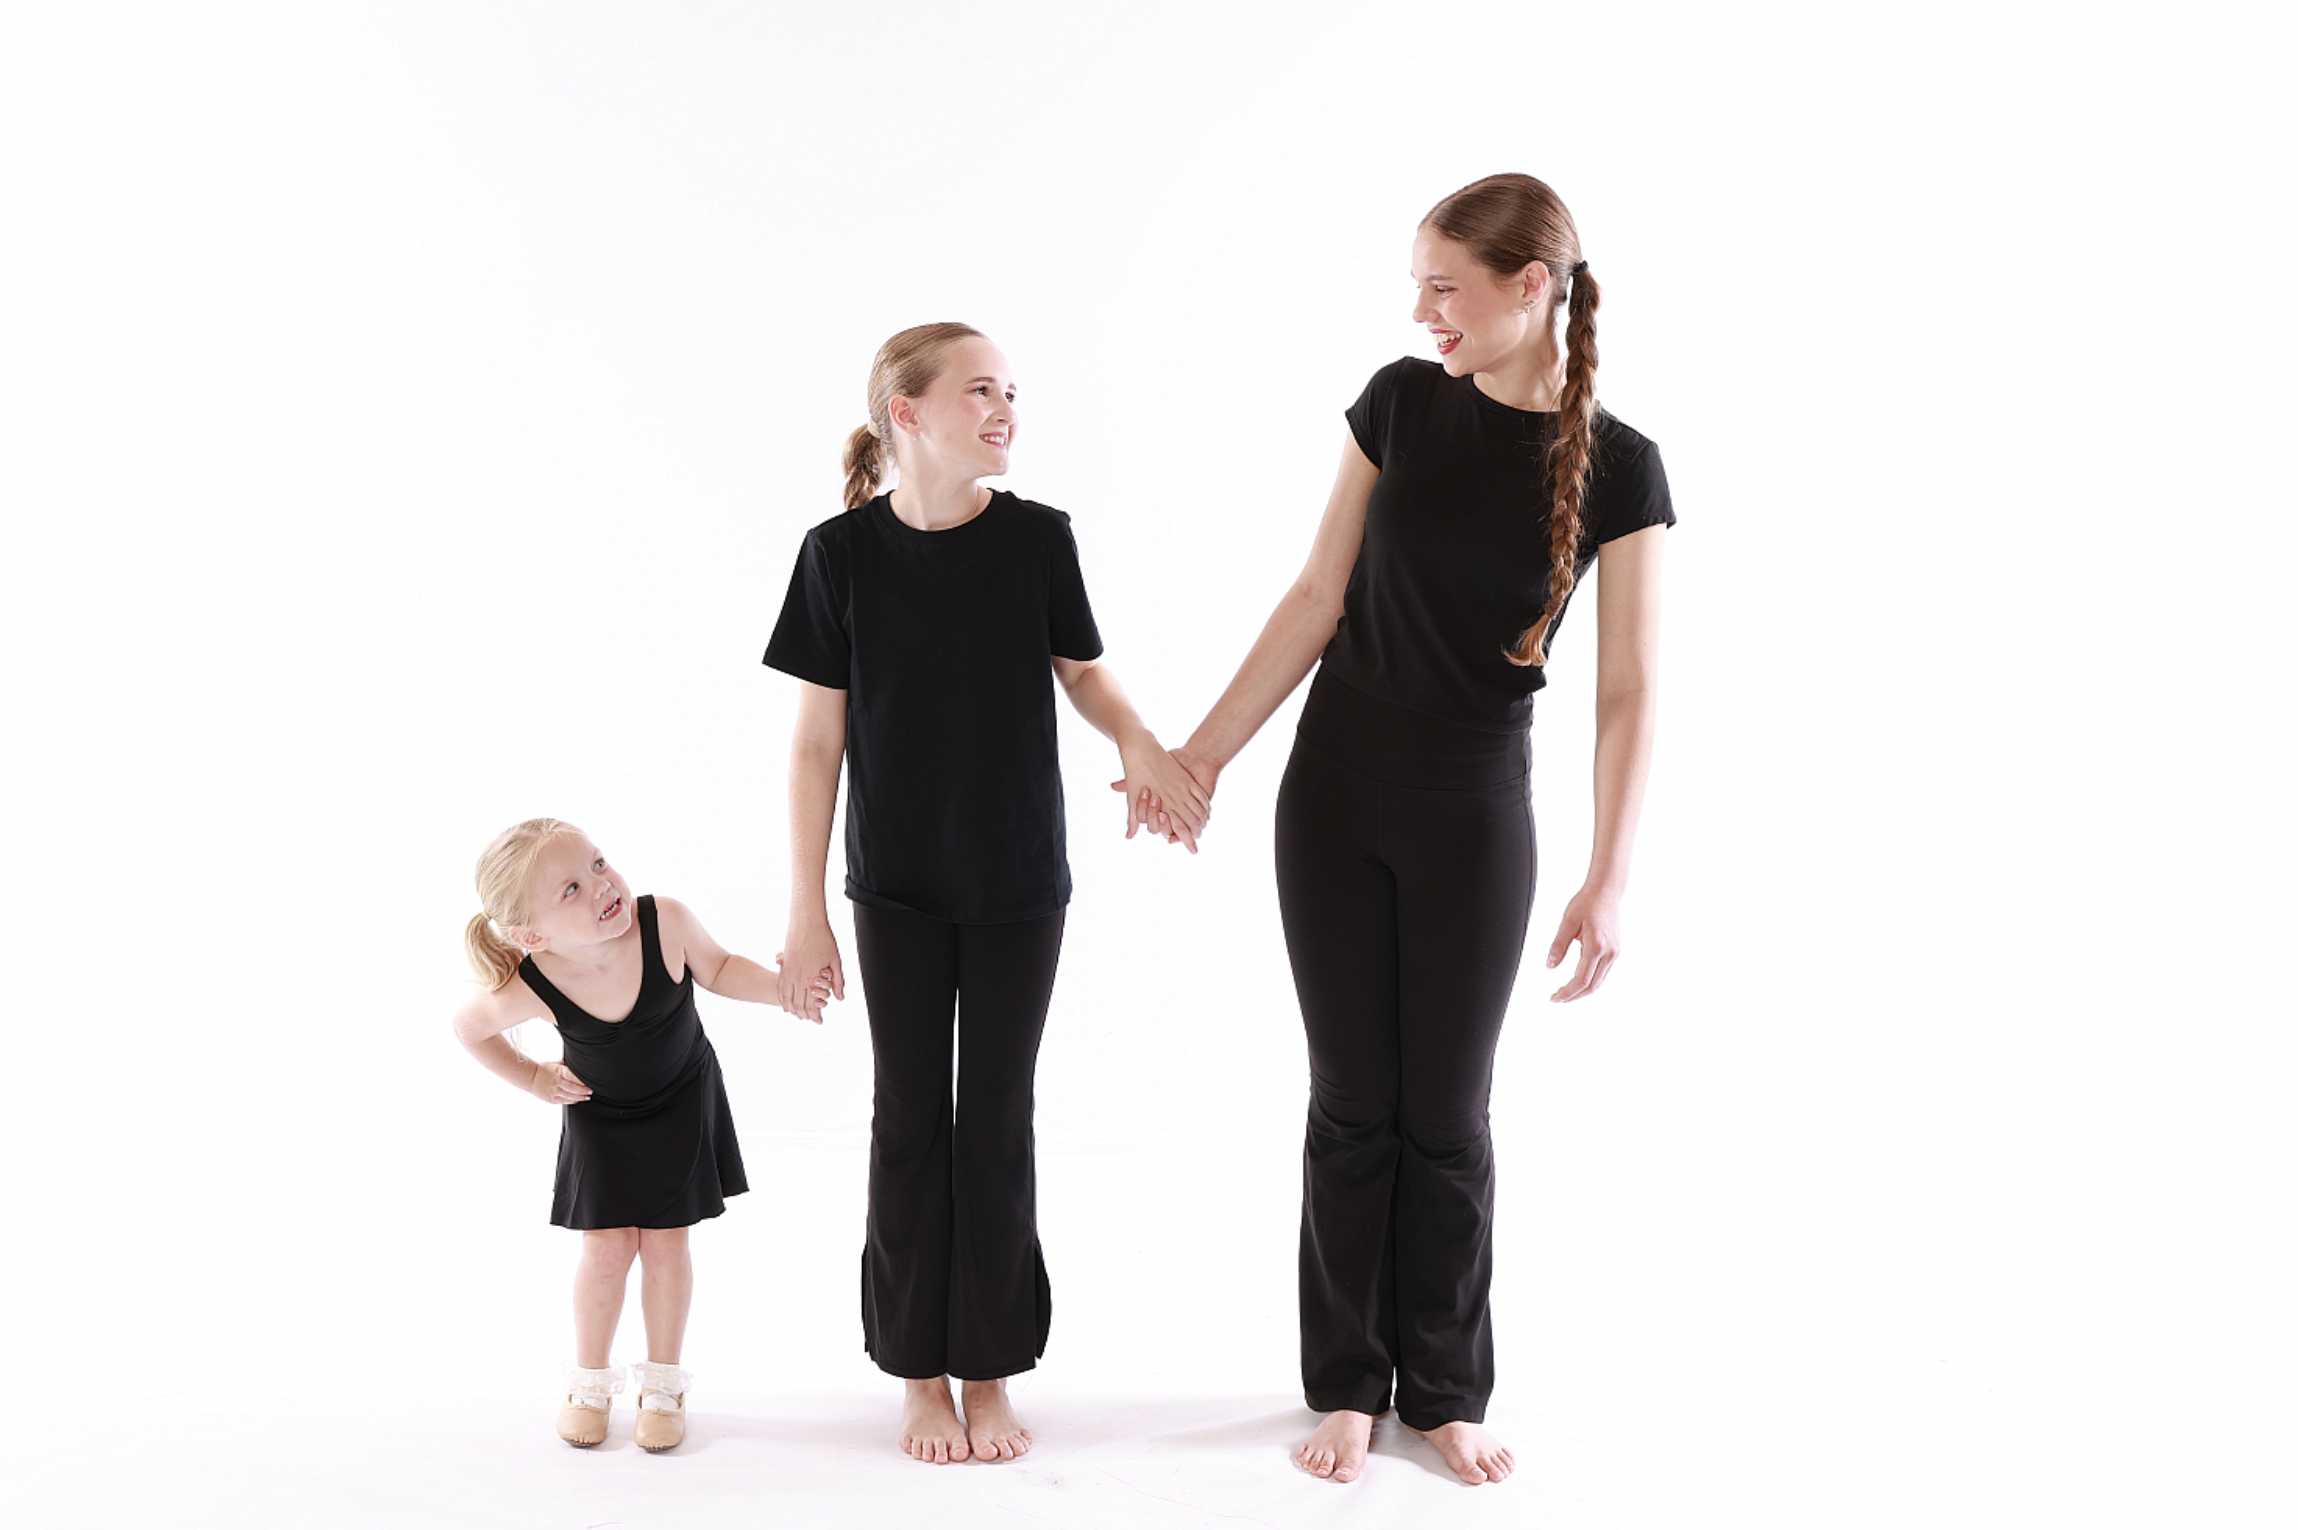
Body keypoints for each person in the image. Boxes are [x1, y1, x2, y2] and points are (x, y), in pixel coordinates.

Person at [1158, 174, 1675, 1486]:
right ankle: (1342, 1383)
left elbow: (1625, 691)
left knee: (1443, 1116)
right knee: (1350, 1105)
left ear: (1528, 287)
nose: (1421, 309)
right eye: (1417, 285)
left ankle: (1439, 1389)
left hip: (1471, 813)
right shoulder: (1394, 399)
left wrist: (1607, 877)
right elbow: (1315, 594)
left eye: (1444, 285)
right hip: (1333, 790)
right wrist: (1201, 757)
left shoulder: (1619, 466)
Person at [764, 322, 1208, 1466]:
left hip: (1019, 883)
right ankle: (918, 1377)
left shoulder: (1039, 542)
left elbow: (1084, 673)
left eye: (1012, 391)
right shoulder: (837, 556)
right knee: (910, 1120)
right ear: (905, 416)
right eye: (980, 391)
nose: (1006, 409)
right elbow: (818, 746)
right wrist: (806, 910)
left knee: (997, 1122)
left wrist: (1145, 744)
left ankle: (991, 1370)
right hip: (895, 888)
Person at [451, 817, 828, 1451]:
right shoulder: (535, 982)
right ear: (529, 935)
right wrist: (535, 1079)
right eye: (571, 888)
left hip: (680, 1103)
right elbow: (470, 1029)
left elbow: (722, 968)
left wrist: (780, 990)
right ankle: (589, 1383)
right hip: (601, 1119)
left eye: (598, 864)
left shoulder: (666, 923)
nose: (602, 884)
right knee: (604, 1253)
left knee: (664, 1247)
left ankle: (663, 1384)